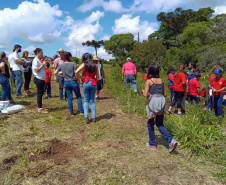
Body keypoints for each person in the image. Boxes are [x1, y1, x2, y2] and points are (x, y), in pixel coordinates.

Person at [141, 64, 178, 153]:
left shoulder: (149, 81)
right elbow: (165, 94)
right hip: (161, 102)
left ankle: (152, 144)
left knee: (150, 123)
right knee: (160, 123)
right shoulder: (161, 81)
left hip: (152, 102)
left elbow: (146, 95)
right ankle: (171, 141)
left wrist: (143, 91)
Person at [54, 52, 84, 116]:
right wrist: (79, 81)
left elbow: (55, 72)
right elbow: (76, 73)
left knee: (69, 97)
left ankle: (72, 113)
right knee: (78, 96)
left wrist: (63, 76)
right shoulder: (73, 64)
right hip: (73, 81)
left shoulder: (61, 65)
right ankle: (81, 111)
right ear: (69, 57)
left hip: (66, 82)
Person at [75, 53, 99, 124]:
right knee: (92, 101)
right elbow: (97, 76)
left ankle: (86, 117)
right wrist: (94, 80)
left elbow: (76, 72)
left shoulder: (84, 64)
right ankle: (94, 117)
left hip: (86, 82)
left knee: (86, 100)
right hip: (93, 82)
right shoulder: (95, 65)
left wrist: (81, 78)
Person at [32, 48, 48, 113]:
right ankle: (40, 108)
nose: (42, 54)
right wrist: (42, 64)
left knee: (41, 93)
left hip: (41, 78)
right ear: (37, 53)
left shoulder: (38, 60)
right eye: (41, 53)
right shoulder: (35, 60)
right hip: (39, 78)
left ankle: (40, 106)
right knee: (39, 93)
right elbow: (36, 70)